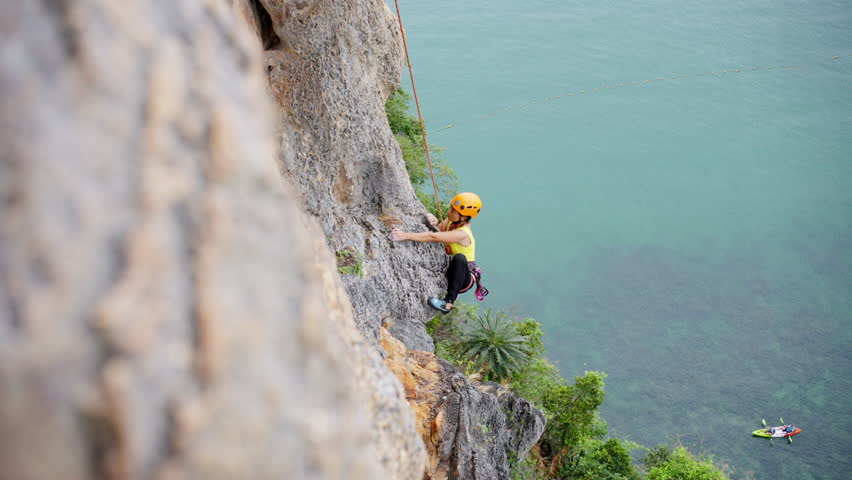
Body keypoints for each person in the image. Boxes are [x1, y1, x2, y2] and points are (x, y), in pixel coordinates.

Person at [391, 192, 485, 313]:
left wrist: (405, 235)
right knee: (457, 258)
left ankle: (448, 303)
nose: (449, 211)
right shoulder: (452, 221)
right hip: (452, 266)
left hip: (464, 276)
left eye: (453, 210)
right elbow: (439, 231)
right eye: (451, 207)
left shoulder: (462, 233)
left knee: (460, 258)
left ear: (464, 217)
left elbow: (433, 237)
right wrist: (435, 222)